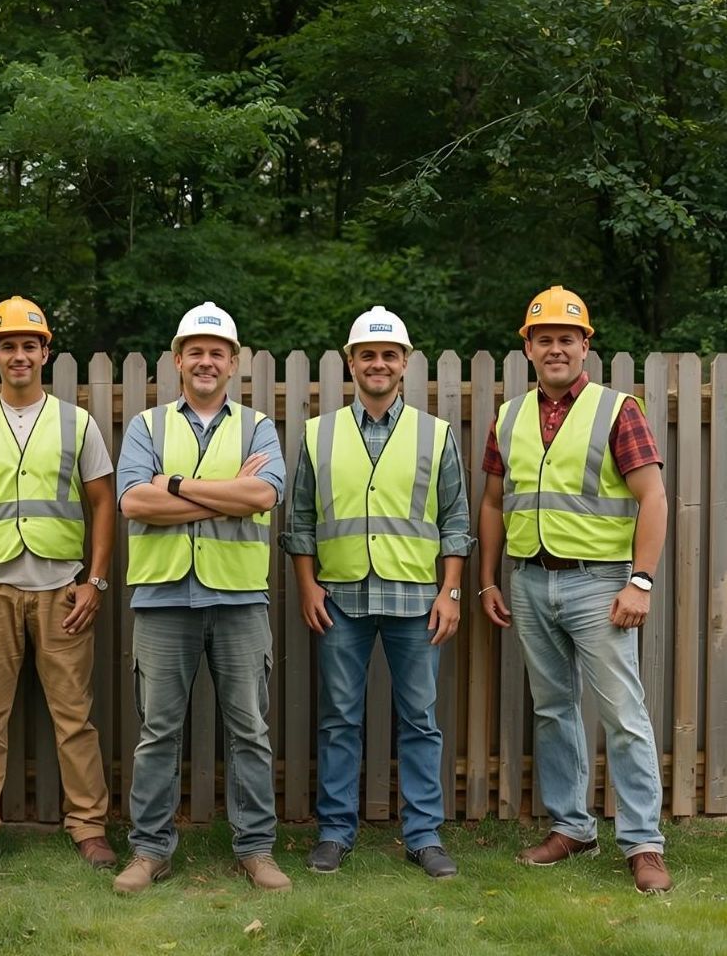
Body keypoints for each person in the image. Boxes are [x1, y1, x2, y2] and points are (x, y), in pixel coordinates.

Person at [478, 285, 671, 893]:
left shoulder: (619, 410)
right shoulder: (508, 417)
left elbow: (653, 498)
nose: (554, 348)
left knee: (623, 714)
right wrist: (487, 579)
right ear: (528, 348)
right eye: (544, 339)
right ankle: (573, 827)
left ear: (585, 345)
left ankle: (643, 843)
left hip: (600, 586)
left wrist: (640, 581)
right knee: (553, 710)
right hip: (530, 582)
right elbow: (491, 502)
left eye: (567, 337)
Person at [281, 307, 472, 878]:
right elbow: (302, 519)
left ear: (405, 363)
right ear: (351, 362)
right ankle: (335, 832)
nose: (379, 364)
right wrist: (307, 586)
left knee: (420, 719)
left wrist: (452, 592)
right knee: (339, 718)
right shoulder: (320, 432)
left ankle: (424, 835)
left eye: (389, 355)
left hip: (417, 600)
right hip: (341, 599)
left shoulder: (435, 434)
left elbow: (456, 518)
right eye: (368, 355)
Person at [0, 296, 116, 873]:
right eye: (7, 345)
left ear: (46, 351)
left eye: (28, 345)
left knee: (74, 716)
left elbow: (103, 502)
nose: (19, 355)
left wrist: (96, 581)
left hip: (61, 589)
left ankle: (88, 827)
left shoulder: (76, 422)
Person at [113, 301, 289, 894]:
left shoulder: (258, 425)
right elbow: (135, 502)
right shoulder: (146, 425)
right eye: (196, 351)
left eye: (218, 351)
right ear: (177, 359)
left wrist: (178, 485)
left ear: (234, 361)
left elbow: (263, 497)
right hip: (162, 598)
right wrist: (226, 492)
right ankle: (149, 851)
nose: (206, 360)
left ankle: (256, 850)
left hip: (239, 599)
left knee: (250, 731)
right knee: (158, 732)